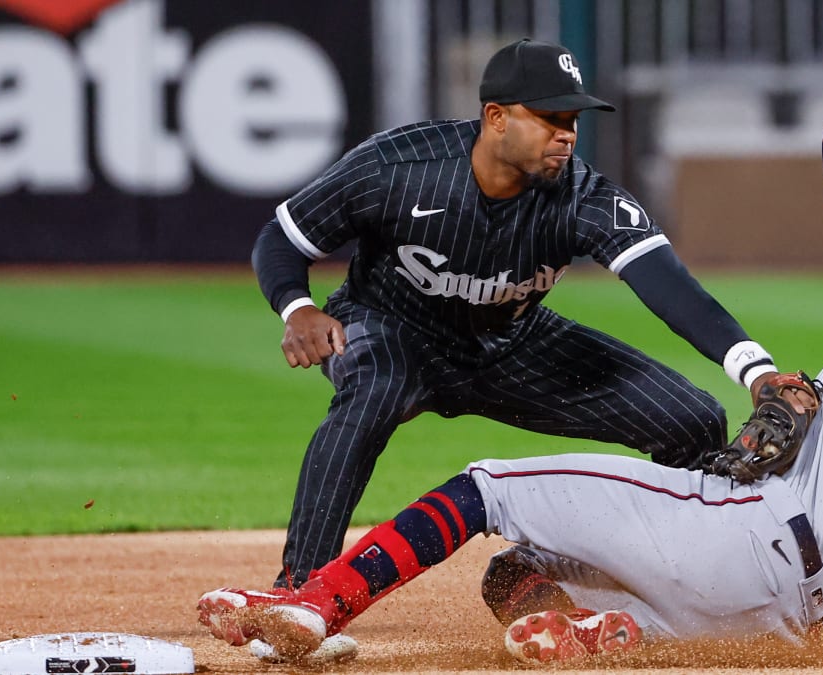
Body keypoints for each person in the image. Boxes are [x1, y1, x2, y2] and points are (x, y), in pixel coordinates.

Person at [198, 117, 823, 663]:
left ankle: (316, 603)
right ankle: (592, 634)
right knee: (516, 574)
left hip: (738, 533)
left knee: (485, 488)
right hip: (780, 616)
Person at [254, 36, 788, 594]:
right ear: (496, 117)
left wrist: (756, 369)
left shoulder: (583, 197)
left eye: (574, 119)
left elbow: (669, 286)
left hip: (509, 340)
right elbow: (283, 238)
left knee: (692, 419)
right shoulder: (402, 165)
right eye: (550, 117)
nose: (567, 134)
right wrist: (299, 308)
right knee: (376, 388)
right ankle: (298, 592)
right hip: (389, 325)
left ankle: (692, 583)